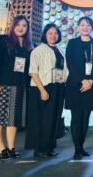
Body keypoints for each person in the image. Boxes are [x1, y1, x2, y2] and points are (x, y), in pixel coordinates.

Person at [0, 15, 32, 160]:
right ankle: (0, 147)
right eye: (18, 25)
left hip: (19, 86)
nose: (21, 28)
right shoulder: (3, 40)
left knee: (13, 119)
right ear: (13, 26)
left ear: (27, 28)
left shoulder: (28, 46)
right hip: (2, 85)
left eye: (24, 25)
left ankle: (11, 147)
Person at [25, 23, 68, 158]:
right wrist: (42, 90)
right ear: (45, 35)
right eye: (50, 33)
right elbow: (33, 72)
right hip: (43, 87)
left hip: (58, 87)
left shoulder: (60, 50)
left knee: (53, 118)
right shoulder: (38, 50)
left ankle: (49, 147)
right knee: (42, 119)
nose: (53, 36)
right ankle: (40, 148)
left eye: (55, 33)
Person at [65, 16, 93, 160]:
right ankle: (77, 149)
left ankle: (81, 147)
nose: (85, 27)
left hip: (91, 86)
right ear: (78, 27)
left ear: (92, 27)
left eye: (88, 25)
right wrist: (82, 80)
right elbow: (70, 63)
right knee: (76, 117)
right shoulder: (72, 43)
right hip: (75, 86)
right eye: (82, 25)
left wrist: (91, 80)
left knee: (86, 118)